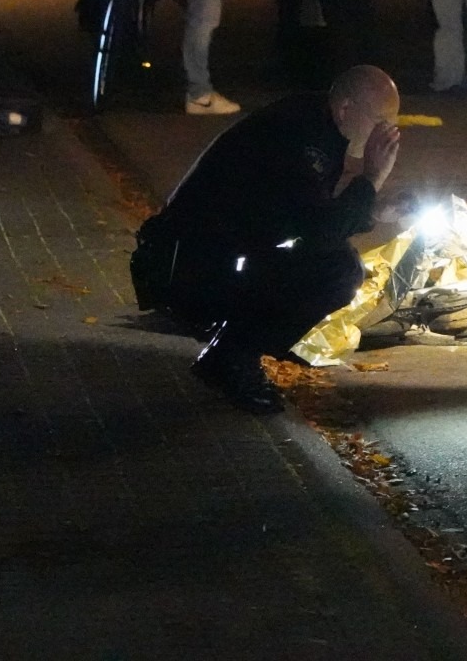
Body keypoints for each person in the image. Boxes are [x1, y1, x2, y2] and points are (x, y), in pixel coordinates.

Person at [131, 66, 402, 413]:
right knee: (337, 272)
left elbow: (310, 215)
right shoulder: (299, 139)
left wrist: (376, 208)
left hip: (212, 251)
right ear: (346, 109)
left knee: (330, 265)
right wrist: (372, 180)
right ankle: (230, 358)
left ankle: (244, 342)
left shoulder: (315, 123)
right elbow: (318, 233)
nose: (386, 134)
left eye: (392, 124)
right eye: (380, 121)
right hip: (188, 268)